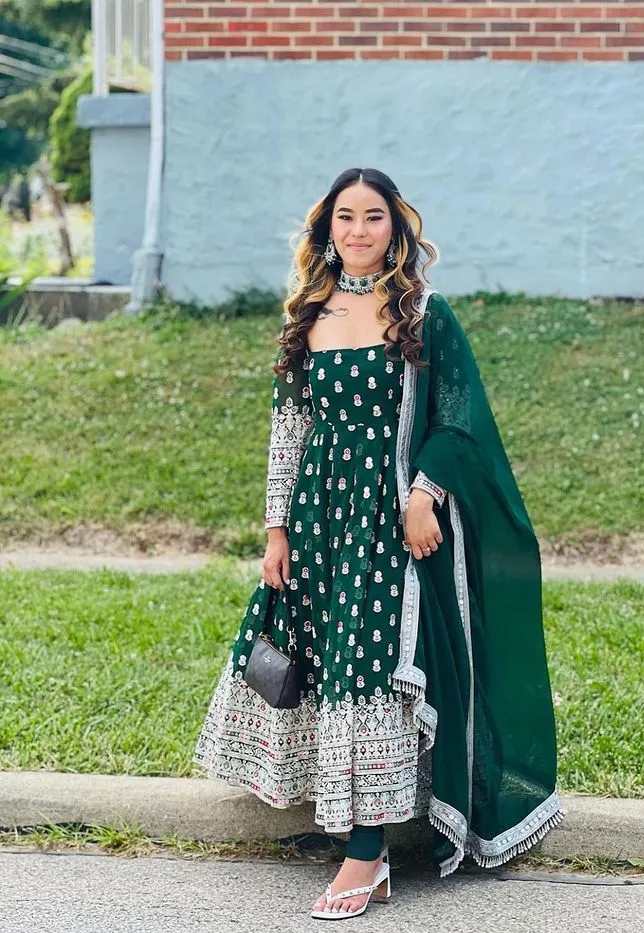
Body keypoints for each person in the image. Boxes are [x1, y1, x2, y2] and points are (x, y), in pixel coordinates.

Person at [194, 168, 563, 919]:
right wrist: (275, 527)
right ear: (325, 229)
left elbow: (460, 419)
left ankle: (367, 853)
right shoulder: (307, 313)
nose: (357, 231)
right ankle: (345, 824)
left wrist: (424, 493)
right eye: (344, 218)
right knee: (325, 665)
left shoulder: (424, 315)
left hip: (390, 520)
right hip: (320, 516)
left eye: (372, 217)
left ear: (396, 227)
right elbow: (289, 430)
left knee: (371, 672)